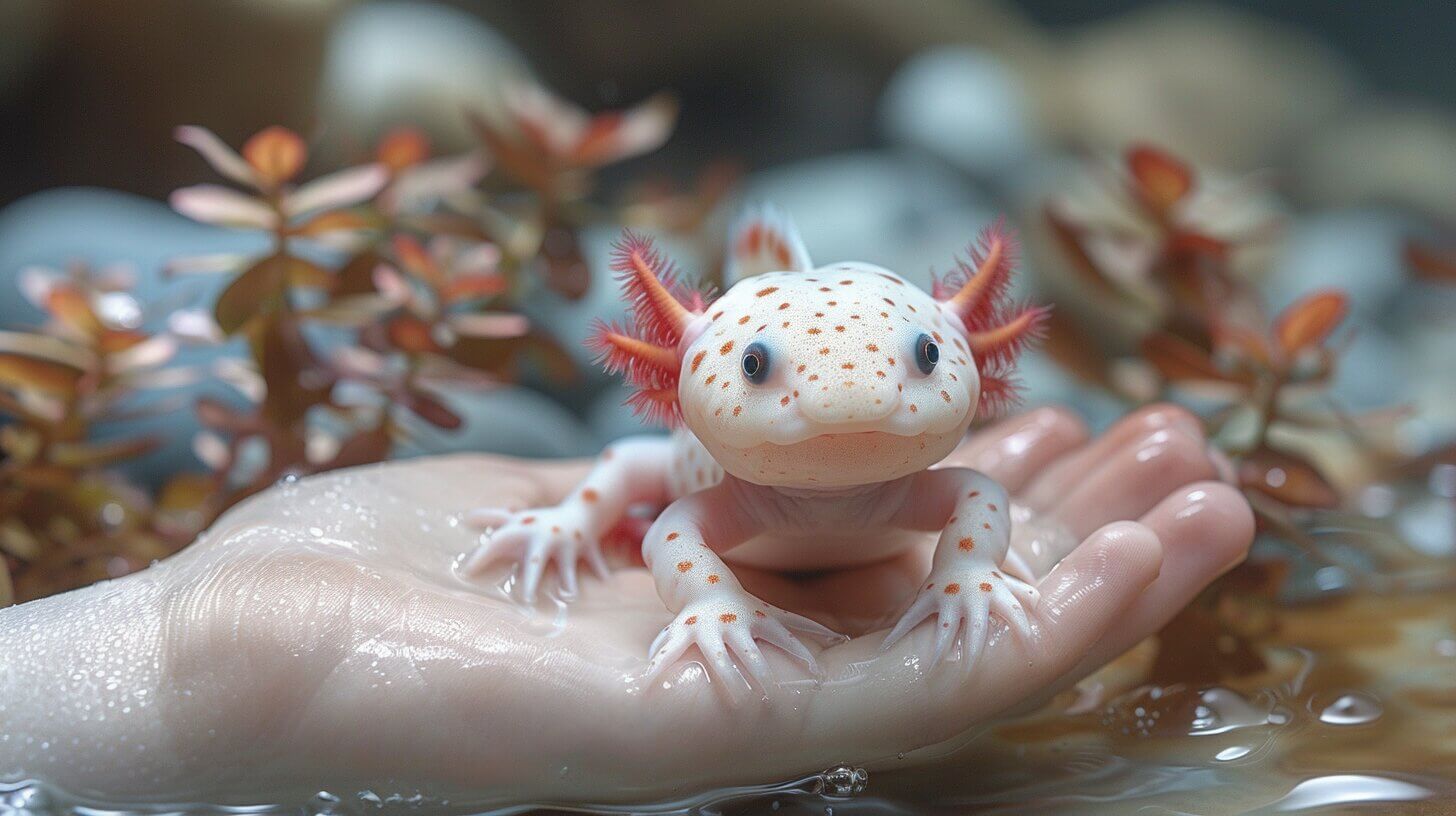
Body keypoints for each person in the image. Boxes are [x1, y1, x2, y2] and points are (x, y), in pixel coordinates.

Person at [0, 405, 1251, 808]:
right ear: (684, 363)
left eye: (923, 363)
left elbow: (971, 496)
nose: (850, 401)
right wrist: (701, 605)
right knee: (628, 470)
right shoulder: (709, 477)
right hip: (699, 474)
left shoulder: (944, 478)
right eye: (762, 377)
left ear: (973, 349)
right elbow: (669, 523)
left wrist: (974, 570)